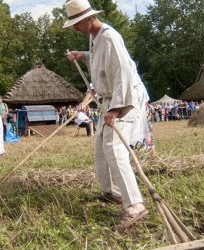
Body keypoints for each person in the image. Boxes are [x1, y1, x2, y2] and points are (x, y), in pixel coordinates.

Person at [63, 0, 148, 231]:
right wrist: (84, 55)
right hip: (110, 99)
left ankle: (135, 205)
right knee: (102, 146)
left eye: (76, 23)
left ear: (88, 18)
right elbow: (102, 61)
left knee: (114, 147)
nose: (74, 28)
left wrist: (117, 108)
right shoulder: (96, 38)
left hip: (123, 97)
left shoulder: (109, 36)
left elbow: (123, 71)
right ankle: (113, 193)